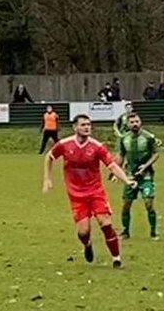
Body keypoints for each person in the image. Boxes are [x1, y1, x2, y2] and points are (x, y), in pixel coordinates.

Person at [42, 114, 136, 268]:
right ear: (75, 127)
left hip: (95, 192)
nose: (87, 127)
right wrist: (47, 178)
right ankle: (87, 244)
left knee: (105, 223)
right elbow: (49, 157)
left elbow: (111, 165)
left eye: (89, 124)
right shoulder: (65, 144)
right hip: (76, 195)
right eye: (83, 125)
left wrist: (126, 180)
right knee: (83, 232)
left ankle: (116, 258)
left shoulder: (97, 147)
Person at [116, 113, 161, 240]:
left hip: (146, 176)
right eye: (132, 122)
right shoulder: (124, 138)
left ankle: (153, 232)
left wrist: (145, 166)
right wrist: (115, 170)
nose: (135, 124)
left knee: (149, 204)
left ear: (140, 122)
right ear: (127, 124)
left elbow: (156, 154)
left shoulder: (149, 137)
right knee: (126, 205)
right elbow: (121, 155)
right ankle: (125, 232)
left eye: (136, 121)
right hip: (130, 176)